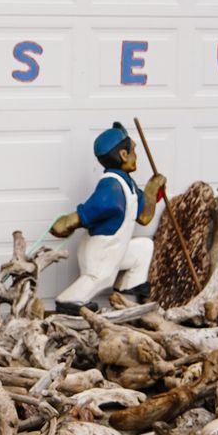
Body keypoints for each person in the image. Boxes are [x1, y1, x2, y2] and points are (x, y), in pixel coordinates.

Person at [50, 121, 165, 306]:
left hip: (116, 250)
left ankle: (127, 296)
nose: (136, 155)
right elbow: (87, 212)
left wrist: (152, 191)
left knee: (143, 248)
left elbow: (144, 217)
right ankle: (68, 303)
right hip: (101, 254)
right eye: (134, 150)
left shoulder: (128, 183)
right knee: (99, 280)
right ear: (123, 154)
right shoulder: (111, 188)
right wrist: (66, 223)